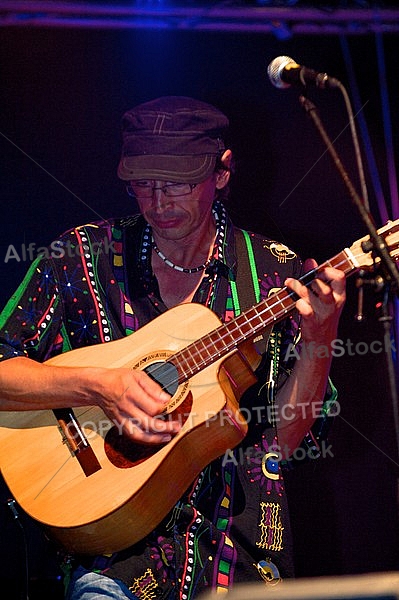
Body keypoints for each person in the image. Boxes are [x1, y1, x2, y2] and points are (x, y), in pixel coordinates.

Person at [0, 96, 345, 599]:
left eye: (178, 184)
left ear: (222, 172)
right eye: (144, 184)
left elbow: (282, 445)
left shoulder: (273, 273)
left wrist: (320, 340)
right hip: (113, 559)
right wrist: (98, 386)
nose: (159, 203)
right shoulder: (79, 256)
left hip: (237, 550)